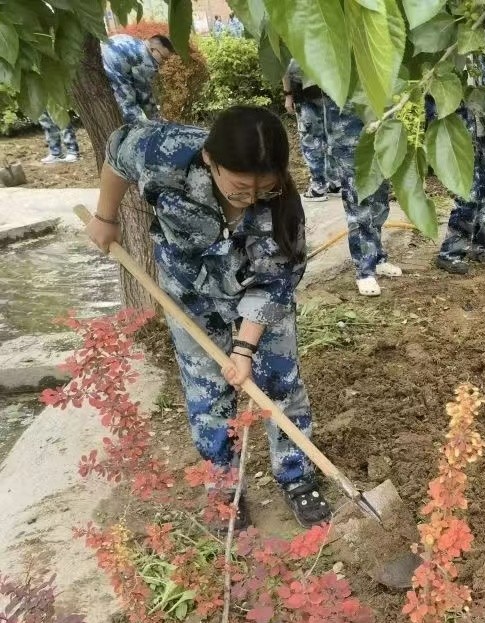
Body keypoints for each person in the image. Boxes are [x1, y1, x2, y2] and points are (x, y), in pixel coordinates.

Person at [85, 106, 331, 529]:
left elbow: (276, 282)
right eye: (238, 189)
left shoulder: (282, 208)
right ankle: (222, 486)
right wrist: (105, 217)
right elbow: (116, 152)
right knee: (206, 388)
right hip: (190, 292)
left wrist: (244, 348)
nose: (251, 199)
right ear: (210, 162)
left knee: (279, 381)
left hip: (258, 291)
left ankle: (297, 474)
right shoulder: (163, 152)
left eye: (263, 190)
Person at [283, 57, 401, 298]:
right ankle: (364, 270)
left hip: (378, 114)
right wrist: (289, 93)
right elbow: (288, 61)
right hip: (345, 118)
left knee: (380, 192)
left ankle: (377, 257)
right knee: (358, 195)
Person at [425, 54, 485, 275]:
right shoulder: (447, 65)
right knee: (467, 196)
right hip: (462, 142)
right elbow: (434, 106)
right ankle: (450, 254)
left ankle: (479, 246)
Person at [282, 59, 341, 202]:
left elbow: (283, 65)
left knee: (311, 139)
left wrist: (288, 94)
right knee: (332, 134)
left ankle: (319, 187)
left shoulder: (288, 38)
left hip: (305, 90)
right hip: (330, 86)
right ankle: (335, 183)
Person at [101, 33, 174, 125]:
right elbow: (144, 93)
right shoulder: (146, 59)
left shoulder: (138, 45)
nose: (163, 62)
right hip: (113, 67)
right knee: (130, 108)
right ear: (154, 50)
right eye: (163, 58)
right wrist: (157, 120)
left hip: (104, 61)